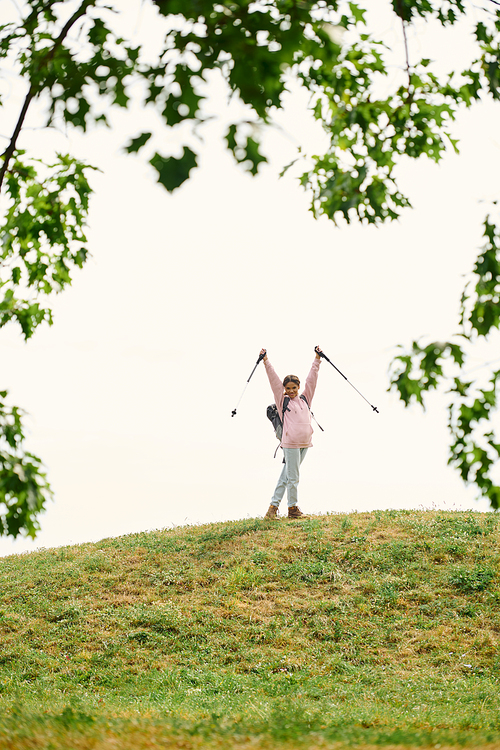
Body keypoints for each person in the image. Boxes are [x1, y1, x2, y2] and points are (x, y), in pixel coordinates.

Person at [261, 346, 322, 520]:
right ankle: (292, 509)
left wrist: (317, 359)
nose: (291, 391)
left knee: (287, 477)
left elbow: (312, 380)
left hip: (305, 443)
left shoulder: (305, 398)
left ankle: (272, 509)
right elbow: (273, 381)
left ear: (298, 387)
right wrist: (266, 361)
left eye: (294, 388)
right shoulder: (282, 401)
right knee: (293, 478)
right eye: (288, 388)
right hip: (291, 444)